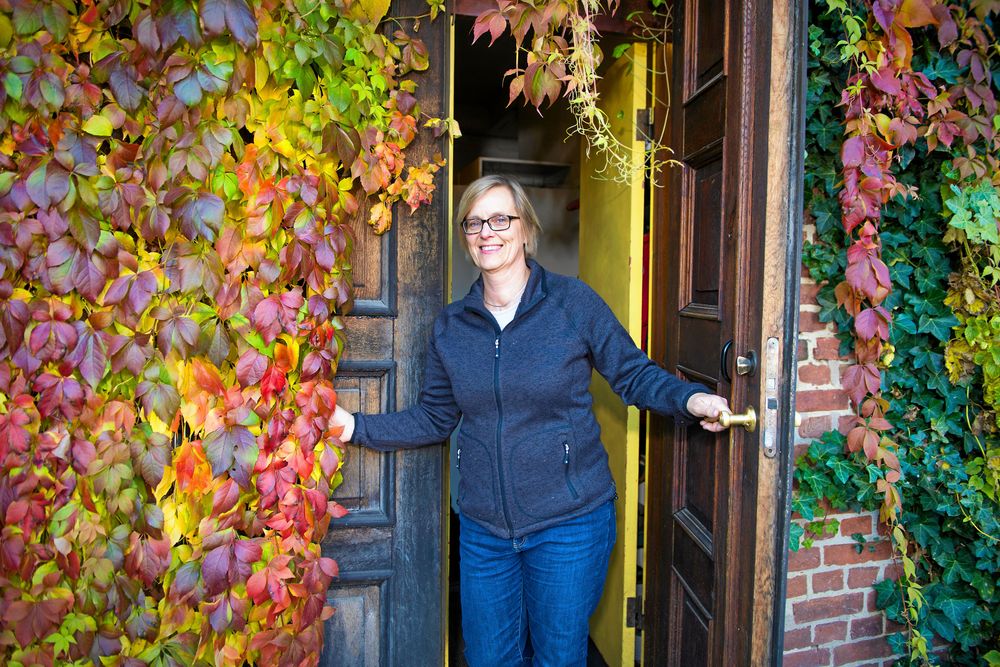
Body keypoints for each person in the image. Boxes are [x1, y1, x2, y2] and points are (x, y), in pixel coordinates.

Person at [332, 175, 730, 666]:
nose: (487, 232)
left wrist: (691, 399)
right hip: (484, 531)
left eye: (500, 219)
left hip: (569, 524)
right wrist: (355, 426)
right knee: (488, 659)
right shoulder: (451, 327)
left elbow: (632, 374)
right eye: (474, 222)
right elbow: (435, 417)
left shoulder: (572, 303)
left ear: (525, 230)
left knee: (557, 658)